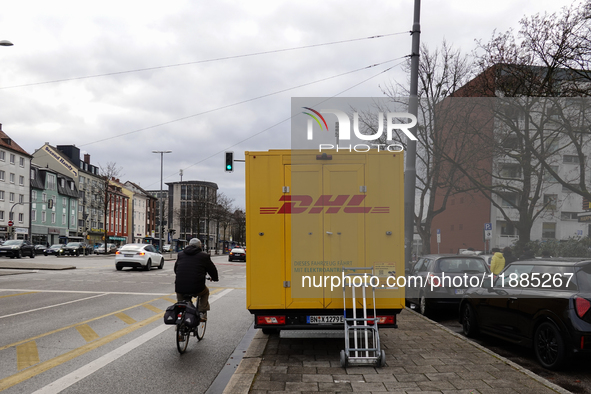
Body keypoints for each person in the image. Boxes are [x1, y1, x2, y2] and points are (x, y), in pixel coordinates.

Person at [174, 238, 219, 321]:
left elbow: (175, 269)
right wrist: (215, 278)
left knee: (182, 302)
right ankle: (202, 312)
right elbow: (212, 269)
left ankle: (180, 324)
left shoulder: (180, 254)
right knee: (205, 292)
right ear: (200, 246)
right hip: (197, 287)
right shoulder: (204, 256)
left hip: (180, 287)